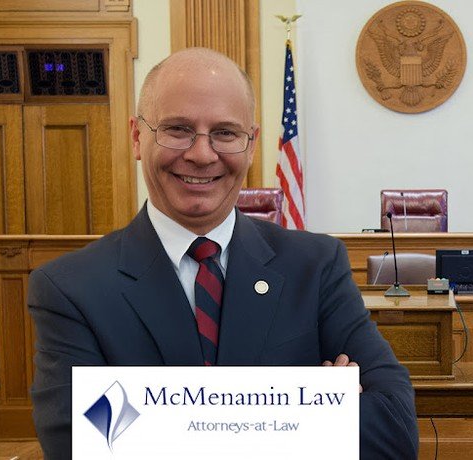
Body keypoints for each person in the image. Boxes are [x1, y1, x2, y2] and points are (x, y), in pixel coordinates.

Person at [28, 47, 418, 459]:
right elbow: (80, 444)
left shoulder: (317, 265)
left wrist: (155, 426)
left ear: (251, 145)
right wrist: (312, 408)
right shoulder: (70, 288)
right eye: (177, 129)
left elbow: (393, 430)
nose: (201, 154)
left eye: (225, 133)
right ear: (138, 137)